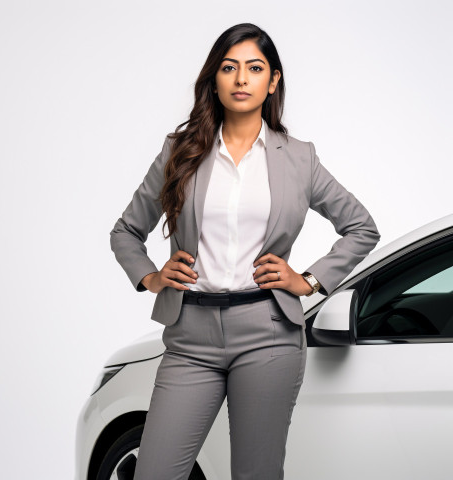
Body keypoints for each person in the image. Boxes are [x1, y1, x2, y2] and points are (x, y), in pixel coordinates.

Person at [110, 22, 381, 480]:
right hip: (189, 337)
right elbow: (125, 231)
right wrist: (151, 276)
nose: (241, 79)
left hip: (268, 334)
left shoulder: (299, 158)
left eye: (254, 69)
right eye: (229, 68)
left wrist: (309, 280)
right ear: (214, 79)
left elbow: (361, 227)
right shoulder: (180, 153)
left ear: (272, 81)